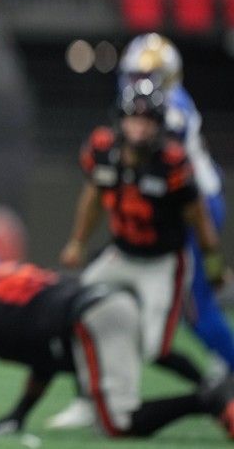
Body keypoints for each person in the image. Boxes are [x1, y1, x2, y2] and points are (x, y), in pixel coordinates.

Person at [0, 235, 234, 440]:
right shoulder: (0, 279)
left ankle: (208, 398)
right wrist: (20, 412)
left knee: (117, 423)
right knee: (146, 351)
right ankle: (212, 386)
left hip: (90, 318)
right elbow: (44, 354)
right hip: (102, 310)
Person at [48, 80, 225, 429]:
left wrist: (214, 264)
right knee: (74, 312)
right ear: (120, 120)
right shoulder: (102, 148)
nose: (139, 127)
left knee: (152, 346)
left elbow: (200, 219)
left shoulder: (172, 163)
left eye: (147, 121)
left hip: (162, 263)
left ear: (159, 126)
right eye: (133, 119)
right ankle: (87, 398)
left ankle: (211, 389)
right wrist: (77, 242)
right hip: (121, 253)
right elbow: (93, 198)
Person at [119, 34, 234, 373]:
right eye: (133, 76)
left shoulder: (171, 112)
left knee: (196, 309)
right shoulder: (156, 106)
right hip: (187, 204)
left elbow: (167, 169)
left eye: (145, 77)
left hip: (194, 207)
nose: (136, 84)